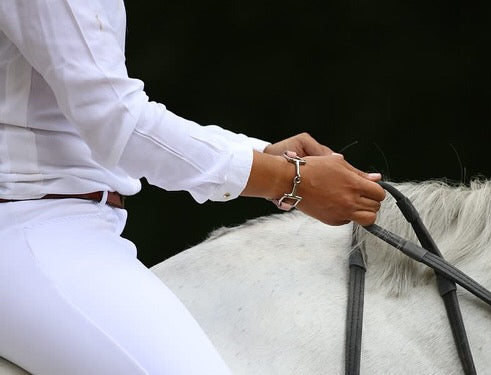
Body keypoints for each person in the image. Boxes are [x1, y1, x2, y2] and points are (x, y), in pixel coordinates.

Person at [0, 1, 385, 374]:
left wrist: (262, 155)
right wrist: (288, 180)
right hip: (31, 226)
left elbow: (104, 114)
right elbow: (119, 121)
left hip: (59, 223)